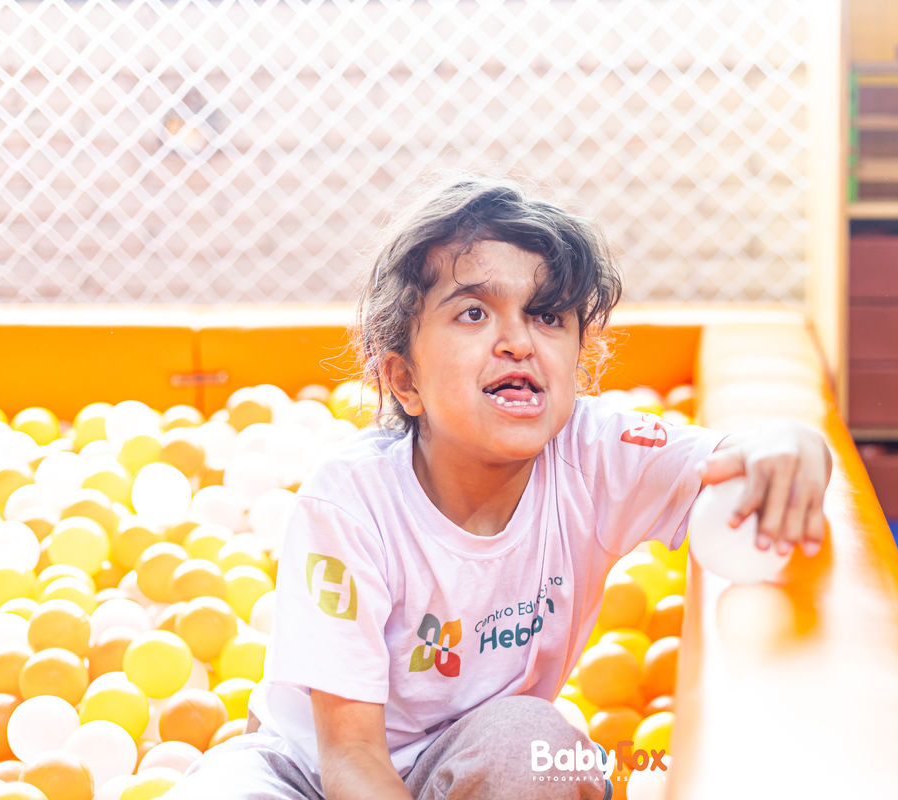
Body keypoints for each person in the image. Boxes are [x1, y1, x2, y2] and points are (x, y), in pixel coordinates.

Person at [168, 176, 832, 800]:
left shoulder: (595, 454)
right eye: (473, 313)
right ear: (405, 381)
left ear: (578, 363)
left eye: (547, 316)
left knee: (539, 745)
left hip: (478, 757)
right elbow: (349, 755)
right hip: (310, 769)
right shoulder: (351, 500)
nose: (517, 340)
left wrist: (794, 443)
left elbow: (736, 462)